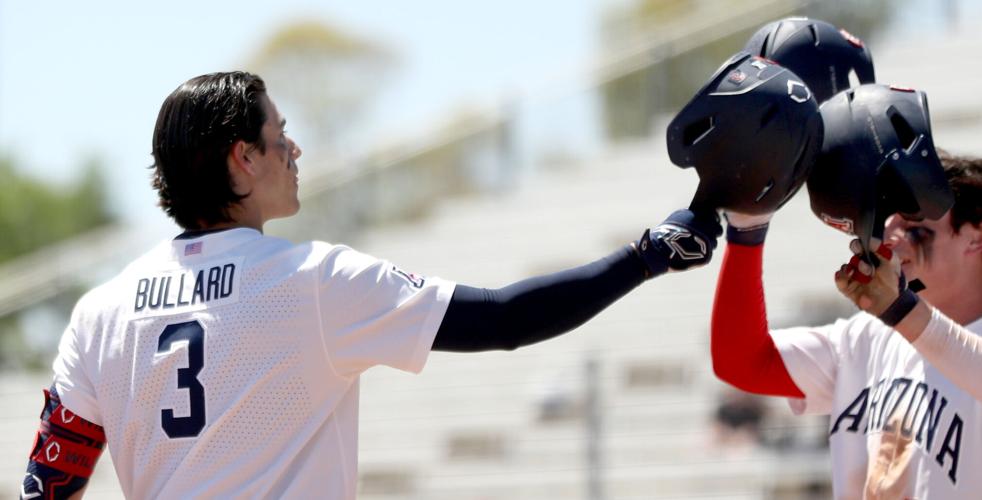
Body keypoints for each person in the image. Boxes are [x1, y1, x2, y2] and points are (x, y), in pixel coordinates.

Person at [19, 71, 722, 499]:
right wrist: (647, 254)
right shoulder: (313, 282)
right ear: (242, 158)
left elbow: (50, 480)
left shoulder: (99, 311)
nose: (294, 149)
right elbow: (504, 319)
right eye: (279, 135)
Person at [710, 149, 982, 498]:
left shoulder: (899, 322)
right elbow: (741, 361)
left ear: (975, 235)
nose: (888, 228)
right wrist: (747, 228)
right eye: (889, 213)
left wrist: (901, 310)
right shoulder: (867, 338)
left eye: (913, 215)